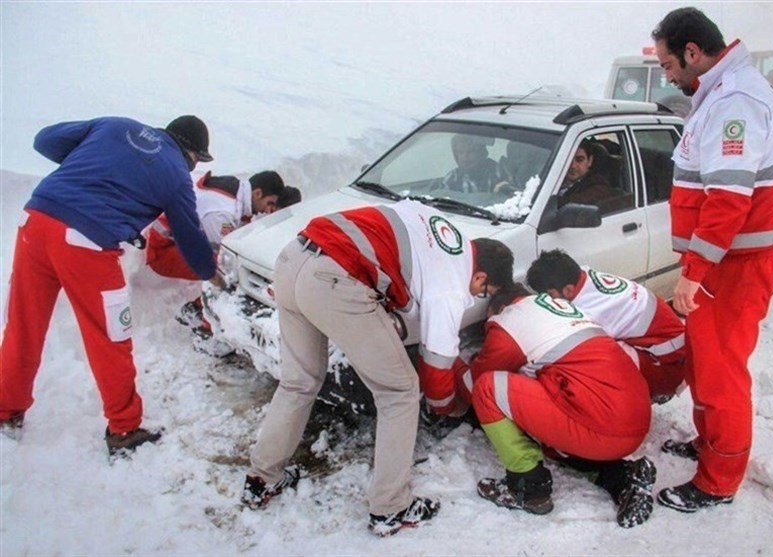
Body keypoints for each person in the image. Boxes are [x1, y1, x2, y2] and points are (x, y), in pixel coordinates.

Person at [240, 199, 514, 537]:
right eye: (483, 291)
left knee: (299, 382)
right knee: (399, 392)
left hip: (292, 258)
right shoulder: (452, 284)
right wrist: (448, 407)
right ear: (482, 275)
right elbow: (437, 365)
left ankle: (261, 479)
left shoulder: (439, 229)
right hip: (334, 278)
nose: (476, 297)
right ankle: (391, 507)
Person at [0, 115, 218, 456]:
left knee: (22, 327)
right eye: (196, 162)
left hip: (35, 222)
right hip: (85, 243)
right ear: (191, 152)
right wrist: (211, 271)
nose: (192, 168)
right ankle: (124, 427)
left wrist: (98, 165)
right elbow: (189, 238)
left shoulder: (116, 126)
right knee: (110, 337)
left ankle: (5, 412)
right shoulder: (176, 175)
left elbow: (44, 140)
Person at [651, 7, 773, 512]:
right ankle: (709, 443)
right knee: (705, 363)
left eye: (669, 65)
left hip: (733, 267)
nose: (667, 75)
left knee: (721, 374)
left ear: (693, 53)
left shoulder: (736, 102)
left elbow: (728, 200)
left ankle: (719, 479)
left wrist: (694, 271)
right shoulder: (722, 93)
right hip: (723, 264)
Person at [454, 284, 655, 528]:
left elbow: (474, 386)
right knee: (546, 433)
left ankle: (528, 488)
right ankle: (622, 477)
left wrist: (450, 361)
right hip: (634, 418)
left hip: (603, 426)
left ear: (502, 308)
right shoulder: (568, 312)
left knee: (489, 388)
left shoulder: (510, 320)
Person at [145, 170, 300, 335]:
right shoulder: (223, 212)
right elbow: (223, 256)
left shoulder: (238, 196)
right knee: (228, 271)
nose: (268, 210)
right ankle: (205, 321)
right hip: (164, 250)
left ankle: (199, 309)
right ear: (257, 193)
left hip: (178, 243)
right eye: (269, 203)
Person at [526, 249, 686, 401]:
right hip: (673, 348)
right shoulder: (584, 275)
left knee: (590, 357)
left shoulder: (595, 310)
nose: (548, 300)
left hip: (672, 366)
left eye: (549, 295)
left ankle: (640, 395)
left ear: (568, 290)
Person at [557, 139, 617, 209]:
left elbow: (571, 205)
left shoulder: (598, 185)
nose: (572, 166)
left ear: (590, 161)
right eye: (568, 159)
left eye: (579, 160)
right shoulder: (553, 177)